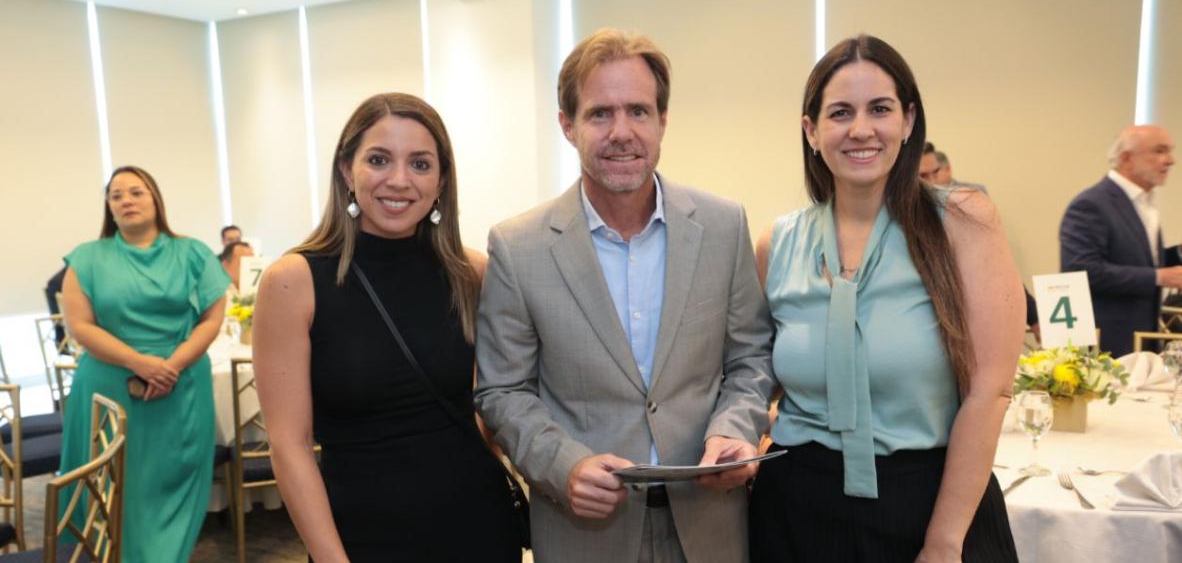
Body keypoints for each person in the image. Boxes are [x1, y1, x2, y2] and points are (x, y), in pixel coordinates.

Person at [474, 29, 776, 562]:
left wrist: (734, 431)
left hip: (709, 527)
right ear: (567, 125)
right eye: (599, 114)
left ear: (663, 121)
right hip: (583, 532)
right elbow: (502, 391)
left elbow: (749, 356)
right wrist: (561, 464)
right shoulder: (517, 247)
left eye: (638, 111)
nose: (622, 132)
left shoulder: (723, 226)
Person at [749, 35, 1023, 562]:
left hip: (933, 505)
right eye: (839, 113)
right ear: (811, 130)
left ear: (909, 120)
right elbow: (753, 377)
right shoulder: (777, 243)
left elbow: (990, 390)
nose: (861, 129)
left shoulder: (964, 221)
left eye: (880, 109)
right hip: (794, 513)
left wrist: (944, 542)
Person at [252, 93, 521, 562]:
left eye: (420, 164)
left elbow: (493, 409)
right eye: (379, 160)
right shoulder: (294, 282)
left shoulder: (471, 274)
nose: (399, 180)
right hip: (362, 538)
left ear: (441, 182)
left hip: (477, 527)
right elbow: (288, 445)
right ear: (346, 171)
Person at [59, 165, 228, 562]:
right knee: (113, 486)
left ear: (155, 199)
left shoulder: (193, 253)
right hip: (109, 389)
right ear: (108, 208)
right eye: (116, 196)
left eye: (136, 192)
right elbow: (81, 326)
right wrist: (141, 363)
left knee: (172, 482)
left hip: (181, 386)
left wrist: (170, 366)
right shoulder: (87, 258)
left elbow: (212, 318)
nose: (126, 201)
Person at [1060, 125, 1181, 356]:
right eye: (1159, 151)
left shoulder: (1143, 203)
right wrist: (1159, 276)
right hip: (1107, 346)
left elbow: (1140, 260)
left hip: (1143, 343)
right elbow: (1083, 270)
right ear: (1127, 158)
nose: (1170, 160)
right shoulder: (1092, 204)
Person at [919, 142, 987, 193]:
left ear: (948, 169)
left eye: (936, 172)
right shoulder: (915, 198)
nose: (932, 182)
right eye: (923, 176)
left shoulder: (975, 192)